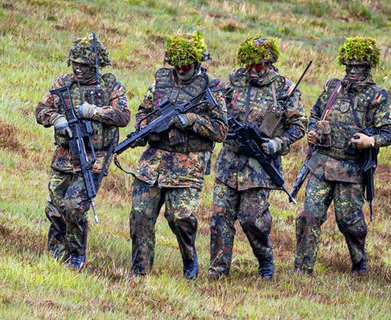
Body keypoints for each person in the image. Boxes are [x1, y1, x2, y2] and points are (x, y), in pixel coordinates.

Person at [293, 37, 391, 275]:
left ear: (368, 68)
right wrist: (312, 131)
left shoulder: (377, 96)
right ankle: (302, 268)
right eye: (349, 67)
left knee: (350, 223)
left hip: (352, 169)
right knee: (308, 216)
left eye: (359, 67)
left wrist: (370, 141)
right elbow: (315, 114)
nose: (352, 72)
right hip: (321, 164)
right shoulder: (333, 88)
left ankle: (358, 263)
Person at [128, 30, 228, 279]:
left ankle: (189, 258)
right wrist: (142, 128)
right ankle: (140, 272)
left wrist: (191, 120)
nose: (180, 69)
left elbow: (221, 129)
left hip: (188, 164)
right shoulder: (160, 81)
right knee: (140, 216)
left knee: (180, 218)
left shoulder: (212, 87)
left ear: (196, 62)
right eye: (176, 65)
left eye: (186, 65)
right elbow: (142, 111)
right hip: (153, 163)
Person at [207, 35, 306, 280]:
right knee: (220, 217)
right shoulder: (234, 80)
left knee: (253, 220)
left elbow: (300, 124)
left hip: (259, 166)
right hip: (229, 162)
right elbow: (216, 106)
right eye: (249, 64)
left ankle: (265, 259)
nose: (253, 70)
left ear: (270, 63)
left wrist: (278, 142)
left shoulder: (284, 88)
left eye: (259, 65)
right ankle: (218, 269)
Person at [35, 33, 130, 269]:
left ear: (95, 66)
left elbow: (123, 116)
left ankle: (76, 254)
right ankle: (56, 255)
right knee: (55, 207)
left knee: (74, 206)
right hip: (64, 156)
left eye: (84, 66)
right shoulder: (63, 84)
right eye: (75, 65)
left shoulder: (110, 86)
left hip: (93, 158)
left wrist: (94, 112)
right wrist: (55, 118)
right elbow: (40, 109)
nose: (78, 70)